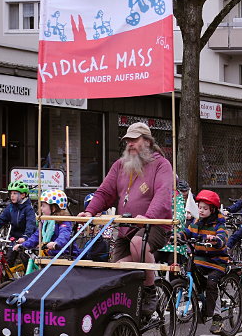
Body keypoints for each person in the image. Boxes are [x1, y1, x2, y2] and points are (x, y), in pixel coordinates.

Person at [79, 122, 173, 315]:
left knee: (138, 244)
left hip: (154, 225)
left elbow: (163, 195)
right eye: (127, 140)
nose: (130, 144)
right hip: (125, 226)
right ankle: (126, 318)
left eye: (134, 140)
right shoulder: (120, 166)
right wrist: (90, 211)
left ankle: (150, 290)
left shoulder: (161, 165)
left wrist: (147, 217)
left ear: (147, 142)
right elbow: (105, 192)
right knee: (116, 272)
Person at [182, 190, 229, 334]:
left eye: (205, 208)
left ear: (212, 209)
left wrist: (215, 239)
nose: (201, 211)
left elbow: (222, 238)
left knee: (211, 284)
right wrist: (177, 235)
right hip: (200, 260)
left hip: (216, 262)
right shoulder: (196, 222)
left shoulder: (219, 224)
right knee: (190, 275)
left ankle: (216, 317)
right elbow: (187, 232)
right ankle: (201, 301)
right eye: (200, 207)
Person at [0, 180, 37, 266]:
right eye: (11, 193)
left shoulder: (28, 209)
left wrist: (25, 237)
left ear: (23, 195)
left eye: (15, 193)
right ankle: (6, 278)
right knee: (8, 260)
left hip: (27, 238)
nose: (12, 196)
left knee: (25, 258)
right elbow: (0, 220)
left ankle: (27, 277)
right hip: (15, 237)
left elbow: (31, 224)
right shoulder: (11, 207)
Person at [15, 189, 75, 258]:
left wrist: (57, 243)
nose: (41, 208)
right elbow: (37, 236)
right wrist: (24, 245)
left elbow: (64, 235)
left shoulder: (63, 221)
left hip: (64, 255)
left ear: (53, 208)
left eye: (43, 206)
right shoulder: (45, 222)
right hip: (50, 254)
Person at [157, 179, 191, 265]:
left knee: (173, 260)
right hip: (160, 233)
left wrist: (174, 220)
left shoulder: (178, 197)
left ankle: (174, 276)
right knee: (152, 256)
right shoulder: (159, 194)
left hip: (174, 233)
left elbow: (179, 213)